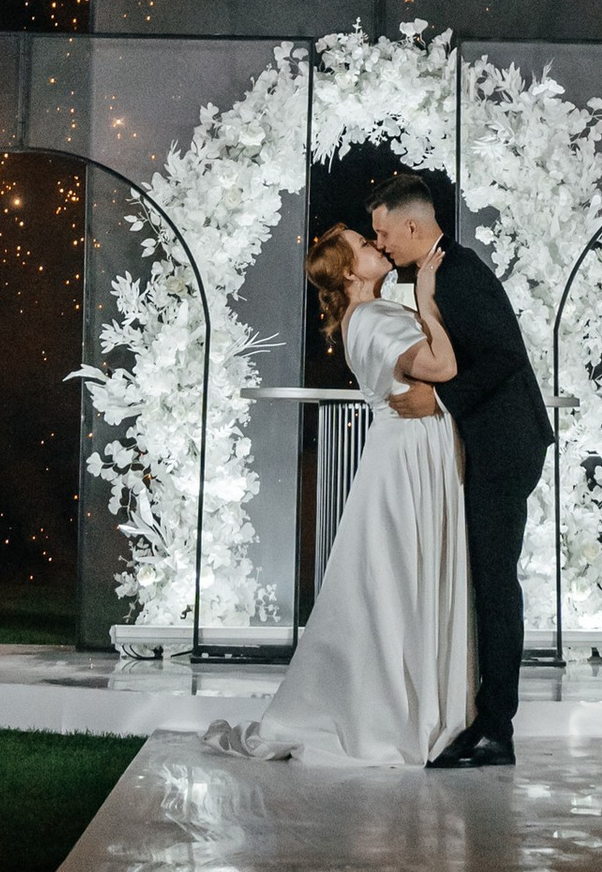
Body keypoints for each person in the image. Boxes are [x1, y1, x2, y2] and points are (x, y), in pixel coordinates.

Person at [216, 224, 473, 767]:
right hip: (407, 460)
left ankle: (404, 701)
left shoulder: (366, 315)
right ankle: (396, 711)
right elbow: (443, 368)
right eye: (364, 246)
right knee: (399, 578)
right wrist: (426, 297)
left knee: (391, 579)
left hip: (403, 455)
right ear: (350, 272)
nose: (377, 247)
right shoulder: (376, 319)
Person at [371, 167, 554, 769]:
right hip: (495, 443)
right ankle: (485, 717)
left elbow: (504, 356)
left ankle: (496, 728)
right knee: (487, 582)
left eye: (386, 233)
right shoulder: (439, 274)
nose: (382, 245)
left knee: (496, 584)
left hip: (505, 447)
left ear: (415, 225)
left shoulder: (459, 273)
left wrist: (439, 400)